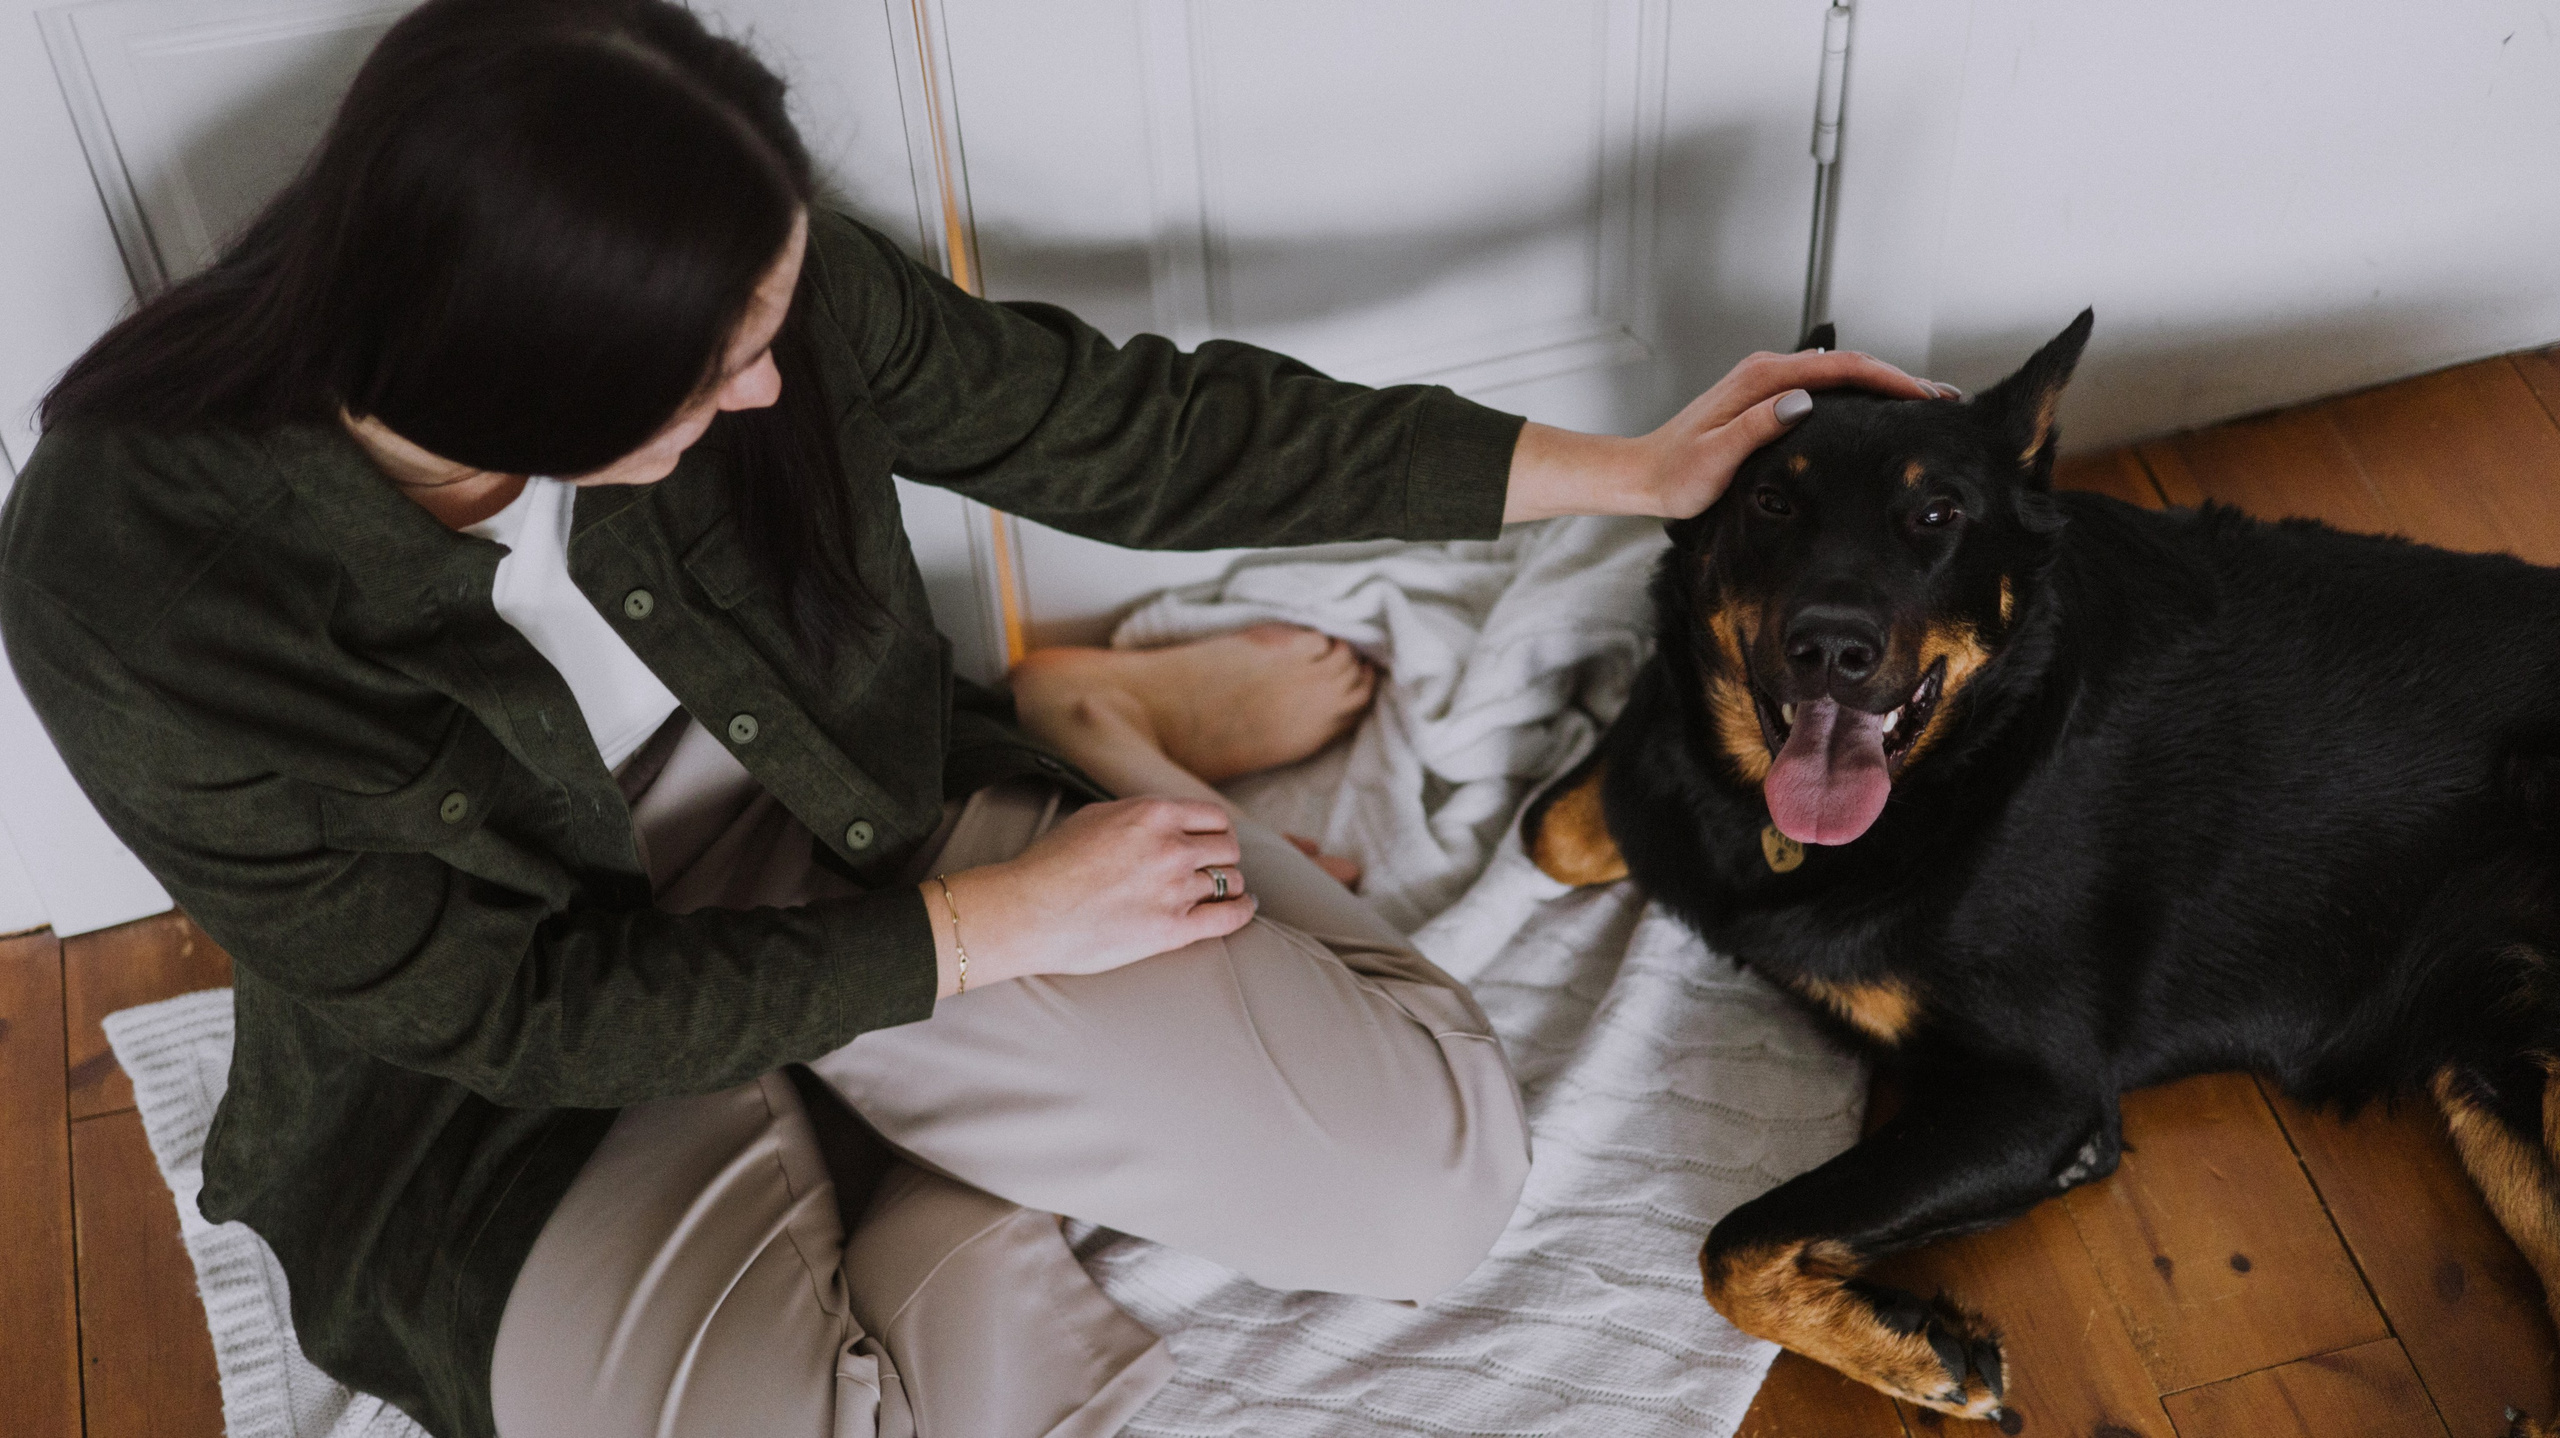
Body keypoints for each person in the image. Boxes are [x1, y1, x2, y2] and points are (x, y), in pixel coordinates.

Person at [0, 1, 1949, 1435]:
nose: (773, 393)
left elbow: (1114, 424)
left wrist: (1631, 471)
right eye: (714, 373)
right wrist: (991, 936)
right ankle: (921, 1125)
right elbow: (510, 1009)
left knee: (1435, 1176)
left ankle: (1079, 752)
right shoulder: (130, 583)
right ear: (521, 377)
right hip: (519, 1075)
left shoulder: (694, 232)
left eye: (774, 327)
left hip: (827, 814)